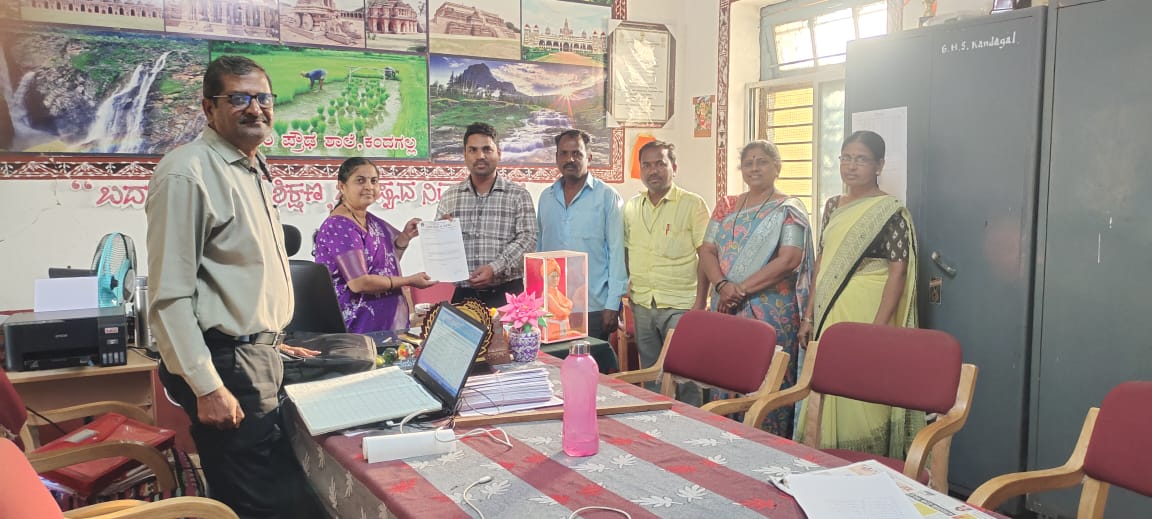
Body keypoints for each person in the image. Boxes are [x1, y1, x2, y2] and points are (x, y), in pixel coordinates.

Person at [145, 55, 323, 519]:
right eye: (238, 98)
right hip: (227, 367)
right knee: (263, 504)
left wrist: (272, 340)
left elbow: (238, 273)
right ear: (208, 108)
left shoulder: (251, 168)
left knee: (285, 488)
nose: (255, 109)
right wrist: (207, 387)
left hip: (256, 355)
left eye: (263, 98)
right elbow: (169, 296)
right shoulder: (189, 172)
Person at [797, 130, 921, 458]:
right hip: (829, 307)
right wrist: (808, 315)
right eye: (846, 158)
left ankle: (864, 461)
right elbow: (823, 259)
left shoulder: (890, 211)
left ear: (879, 165)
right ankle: (821, 458)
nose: (852, 166)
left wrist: (878, 329)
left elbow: (898, 270)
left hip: (868, 306)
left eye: (861, 159)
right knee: (827, 383)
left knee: (860, 388)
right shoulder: (833, 205)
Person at [699, 140, 814, 438]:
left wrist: (739, 290)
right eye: (748, 162)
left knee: (767, 381)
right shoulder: (726, 206)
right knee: (725, 376)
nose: (754, 167)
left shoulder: (788, 209)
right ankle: (722, 443)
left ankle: (766, 448)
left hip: (770, 312)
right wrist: (723, 286)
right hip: (725, 307)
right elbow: (707, 250)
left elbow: (790, 259)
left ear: (777, 166)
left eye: (762, 161)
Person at [313, 157, 436, 333]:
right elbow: (359, 283)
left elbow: (384, 265)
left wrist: (404, 239)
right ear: (341, 186)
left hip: (383, 326)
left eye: (374, 181)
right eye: (360, 180)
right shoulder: (339, 225)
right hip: (355, 329)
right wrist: (409, 281)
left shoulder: (371, 221)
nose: (369, 187)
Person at [622, 140, 709, 369]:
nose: (653, 171)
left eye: (660, 164)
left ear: (674, 167)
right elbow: (626, 251)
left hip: (680, 305)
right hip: (642, 304)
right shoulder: (632, 207)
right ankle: (656, 407)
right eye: (646, 165)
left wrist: (700, 302)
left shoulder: (692, 204)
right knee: (651, 372)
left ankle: (686, 408)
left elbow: (706, 256)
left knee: (685, 372)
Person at [537, 129, 627, 341]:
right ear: (556, 158)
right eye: (564, 153)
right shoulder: (546, 198)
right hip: (552, 307)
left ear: (589, 158)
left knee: (591, 371)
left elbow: (617, 253)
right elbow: (540, 251)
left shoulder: (607, 197)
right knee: (554, 369)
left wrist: (613, 304)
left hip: (593, 307)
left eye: (577, 153)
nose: (570, 159)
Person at [437, 122, 538, 308]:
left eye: (487, 149)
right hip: (464, 296)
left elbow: (528, 240)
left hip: (508, 296)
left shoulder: (518, 195)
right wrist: (441, 233)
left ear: (498, 153)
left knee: (508, 339)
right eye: (473, 150)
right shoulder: (450, 197)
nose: (480, 156)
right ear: (465, 154)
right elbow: (439, 250)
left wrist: (495, 268)